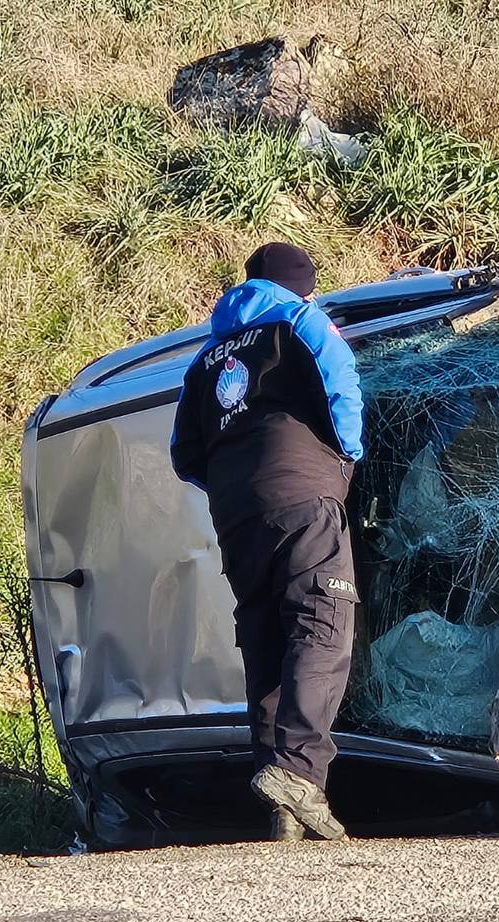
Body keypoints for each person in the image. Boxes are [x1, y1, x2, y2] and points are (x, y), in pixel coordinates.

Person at [170, 242, 363, 841]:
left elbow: (184, 451)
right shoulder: (302, 320)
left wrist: (237, 489)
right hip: (302, 491)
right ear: (302, 285)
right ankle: (301, 773)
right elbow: (342, 387)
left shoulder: (205, 359)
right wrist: (343, 460)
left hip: (237, 514)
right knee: (322, 619)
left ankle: (283, 799)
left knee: (267, 634)